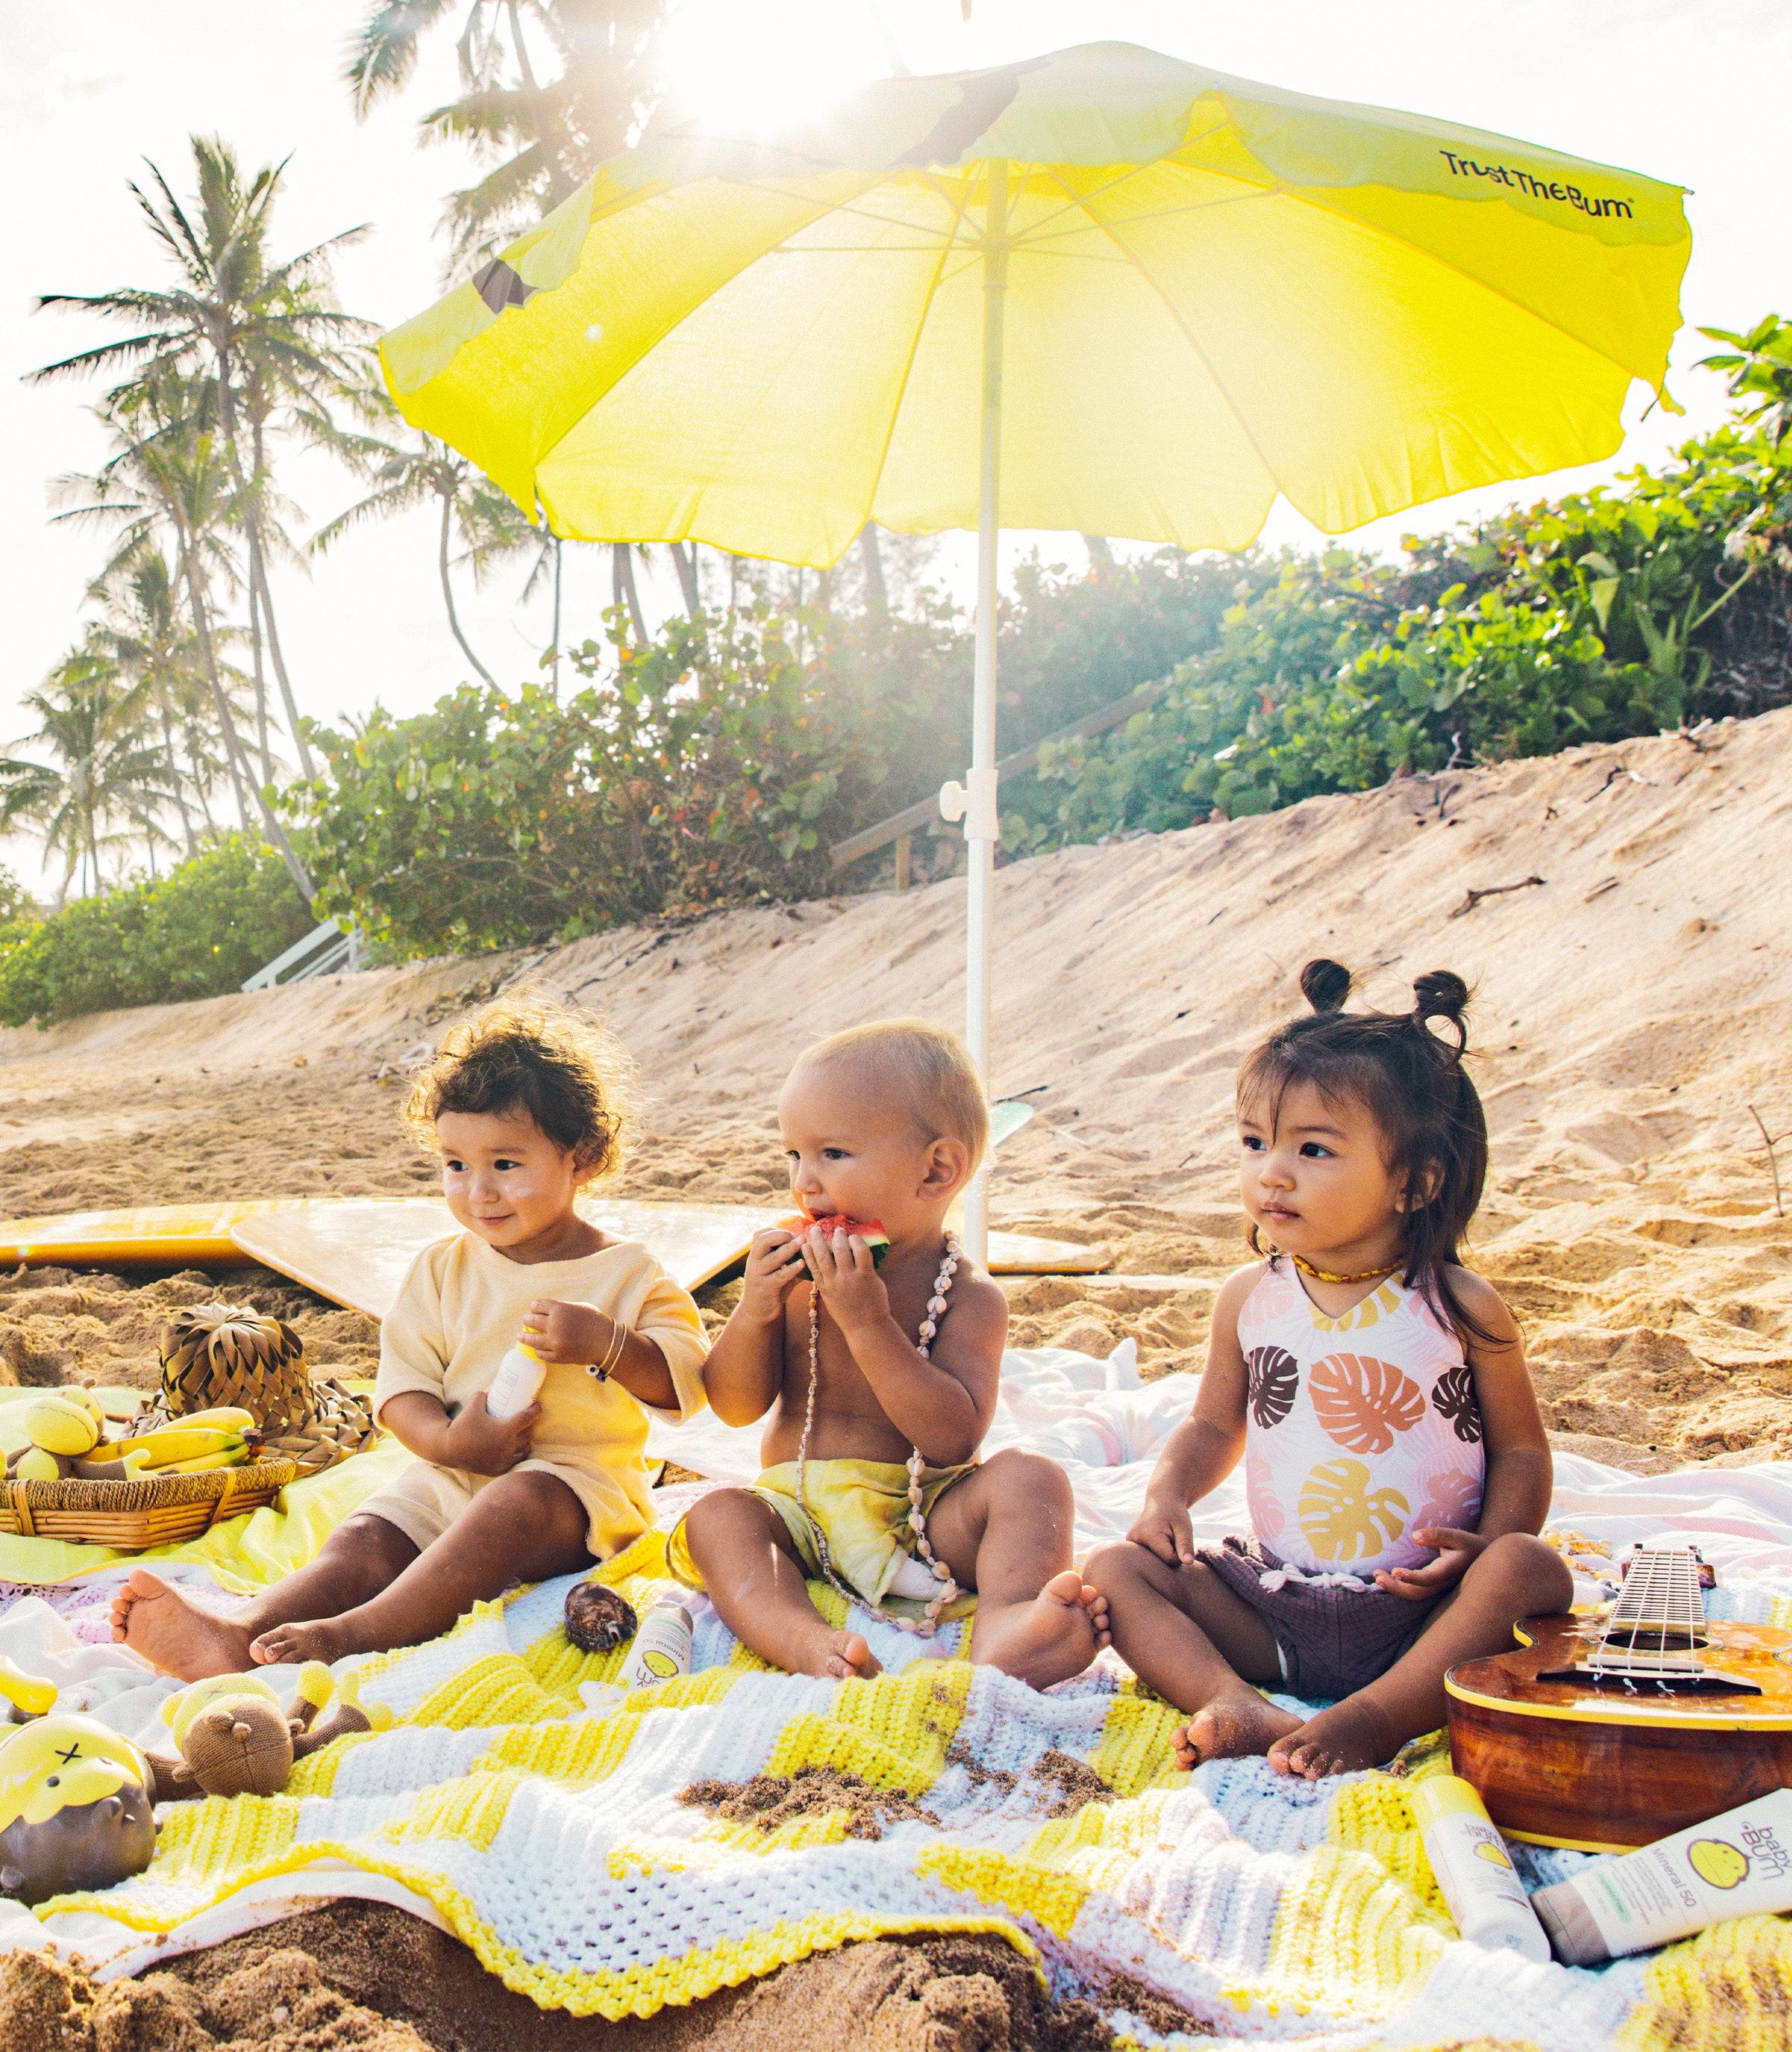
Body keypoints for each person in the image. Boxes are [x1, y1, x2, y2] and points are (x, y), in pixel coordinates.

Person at [112, 998, 709, 1682]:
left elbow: (686, 1387)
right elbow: (402, 1393)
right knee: (366, 1538)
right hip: (455, 1469)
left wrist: (607, 1343)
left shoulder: (626, 1274)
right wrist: (452, 1443)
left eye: (506, 1165)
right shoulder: (441, 1268)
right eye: (456, 1165)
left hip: (576, 1499)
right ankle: (241, 1630)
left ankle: (352, 1634)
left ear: (585, 1157)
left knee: (511, 1506)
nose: (478, 1192)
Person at [1087, 960, 1570, 1779]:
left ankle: (1381, 1715)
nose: (1270, 1172)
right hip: (1277, 1603)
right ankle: (1231, 1699)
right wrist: (1166, 1496)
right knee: (1114, 1570)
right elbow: (1211, 1424)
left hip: (1423, 1608)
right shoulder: (1250, 1298)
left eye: (1313, 1148)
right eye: (1254, 1142)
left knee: (1530, 1570)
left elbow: (1522, 1453)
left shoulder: (1461, 1305)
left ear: (1416, 1182)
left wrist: (1487, 1545)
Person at [670, 1019, 1109, 1685]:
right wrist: (755, 1307)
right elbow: (732, 1407)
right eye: (793, 1156)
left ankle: (1013, 1625)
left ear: (937, 1169)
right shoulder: (792, 1277)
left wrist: (870, 1324)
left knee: (1033, 1480)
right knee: (718, 1516)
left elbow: (954, 1439)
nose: (805, 1184)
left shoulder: (967, 1295)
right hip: (800, 1512)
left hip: (925, 1513)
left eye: (833, 1155)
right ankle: (800, 1637)